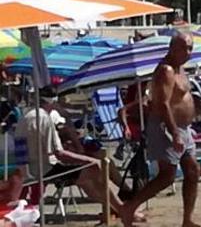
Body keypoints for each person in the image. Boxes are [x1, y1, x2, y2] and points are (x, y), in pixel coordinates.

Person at [16, 88, 140, 222]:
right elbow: (59, 153)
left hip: (29, 169)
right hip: (44, 170)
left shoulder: (26, 116)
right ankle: (122, 207)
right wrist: (89, 160)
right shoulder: (44, 119)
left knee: (87, 175)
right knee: (94, 169)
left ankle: (117, 207)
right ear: (53, 103)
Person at [120, 33, 199, 227]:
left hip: (183, 127)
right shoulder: (166, 70)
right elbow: (163, 104)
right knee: (166, 176)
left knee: (192, 170)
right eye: (184, 48)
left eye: (190, 48)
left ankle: (187, 219)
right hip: (166, 126)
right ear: (172, 48)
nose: (188, 52)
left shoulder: (181, 69)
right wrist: (174, 133)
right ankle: (130, 206)